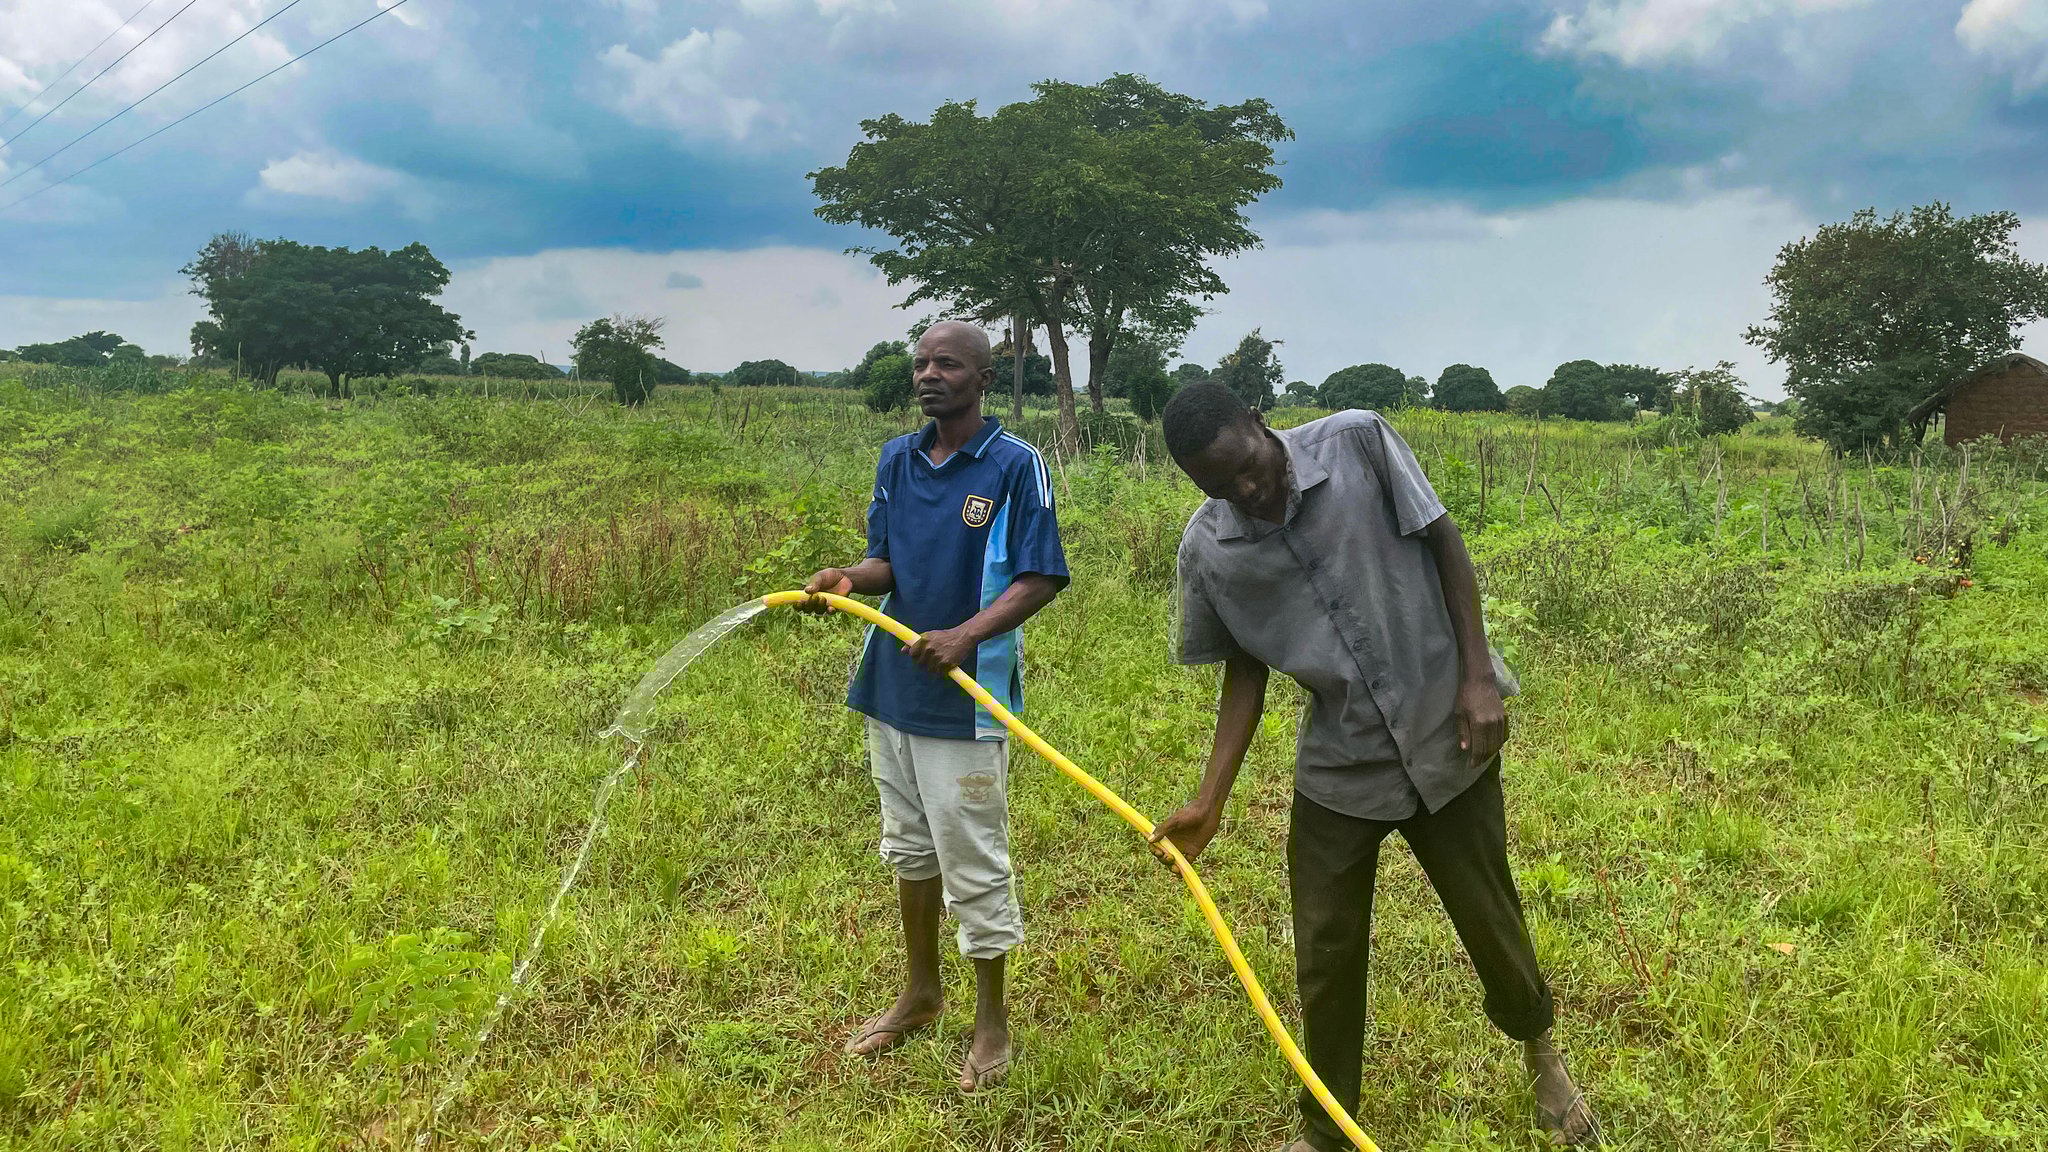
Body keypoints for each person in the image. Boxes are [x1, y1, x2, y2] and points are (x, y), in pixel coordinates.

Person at [1146, 384, 1600, 1149]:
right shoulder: (1208, 549)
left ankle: (1542, 1054)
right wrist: (1210, 800)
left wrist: (1478, 675)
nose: (1246, 493)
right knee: (1324, 944)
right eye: (1218, 487)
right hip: (1340, 761)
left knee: (1489, 914)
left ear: (1260, 422)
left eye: (1248, 469)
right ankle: (1328, 1127)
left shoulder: (1358, 442)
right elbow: (1244, 673)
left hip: (1445, 731)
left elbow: (1442, 541)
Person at [802, 320, 1068, 1093]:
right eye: (920, 362)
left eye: (947, 364)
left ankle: (992, 1021)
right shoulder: (899, 456)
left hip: (965, 697)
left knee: (973, 859)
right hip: (892, 687)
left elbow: (1039, 576)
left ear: (984, 379)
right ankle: (920, 993)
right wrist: (849, 578)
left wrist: (964, 636)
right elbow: (886, 560)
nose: (929, 374)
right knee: (909, 849)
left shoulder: (1016, 466)